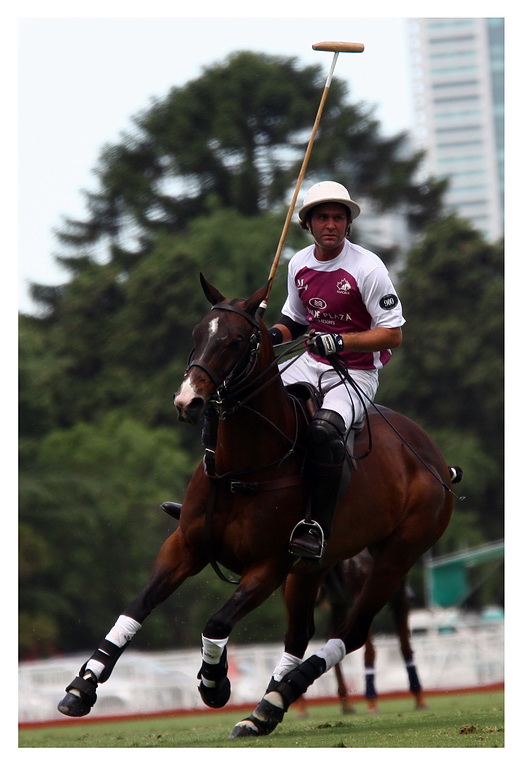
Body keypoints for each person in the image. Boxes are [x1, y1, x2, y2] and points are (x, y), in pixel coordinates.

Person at [268, 181, 405, 560]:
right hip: (310, 362)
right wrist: (266, 337)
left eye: (338, 218)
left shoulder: (367, 268)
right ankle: (218, 495)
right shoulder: (299, 263)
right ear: (308, 223)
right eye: (323, 218)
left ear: (348, 223)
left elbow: (392, 335)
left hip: (355, 372)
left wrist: (339, 342)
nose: (331, 225)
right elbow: (295, 321)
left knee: (324, 430)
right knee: (248, 400)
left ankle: (316, 526)